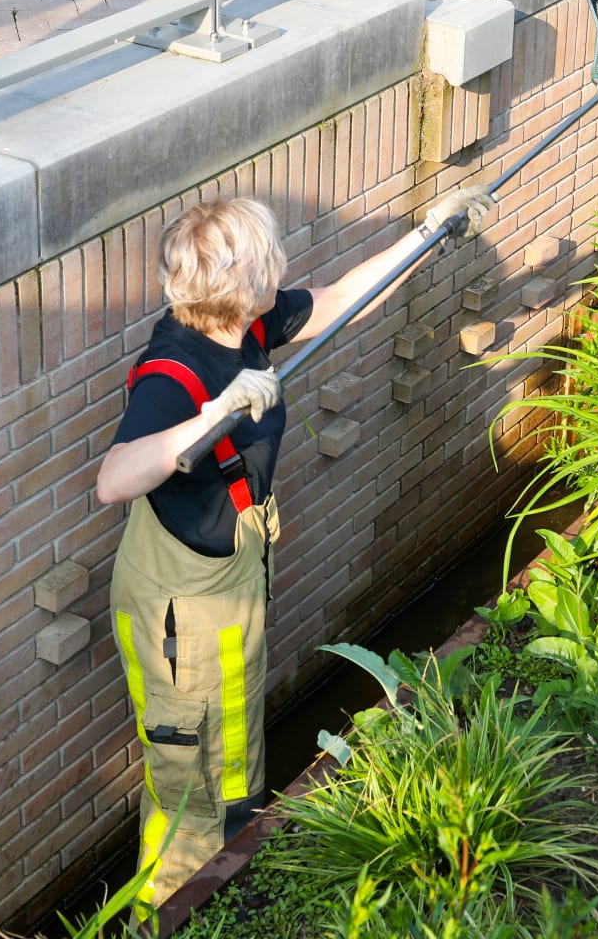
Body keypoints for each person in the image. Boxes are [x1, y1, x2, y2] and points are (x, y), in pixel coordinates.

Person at [93, 185, 494, 906]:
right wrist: (211, 416)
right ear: (242, 279)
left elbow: (341, 297)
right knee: (190, 782)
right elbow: (114, 479)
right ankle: (167, 913)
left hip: (228, 585)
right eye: (271, 255)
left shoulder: (242, 327)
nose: (283, 263)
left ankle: (230, 885)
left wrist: (429, 232)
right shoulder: (174, 370)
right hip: (182, 608)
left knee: (235, 761)